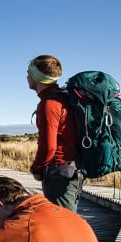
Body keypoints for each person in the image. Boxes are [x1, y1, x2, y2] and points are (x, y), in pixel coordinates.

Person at [27, 54, 83, 212]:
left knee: (63, 221)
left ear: (37, 77)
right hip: (72, 169)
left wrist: (36, 169)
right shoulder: (63, 97)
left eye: (29, 73)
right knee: (67, 218)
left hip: (59, 171)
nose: (26, 77)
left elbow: (49, 146)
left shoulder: (49, 104)